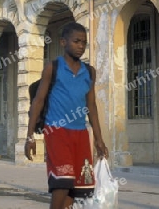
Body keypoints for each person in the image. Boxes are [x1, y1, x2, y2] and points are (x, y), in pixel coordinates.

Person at [25, 22, 109, 209]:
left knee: (78, 187)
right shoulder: (52, 68)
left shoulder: (89, 72)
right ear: (63, 42)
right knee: (62, 182)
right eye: (76, 41)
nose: (81, 46)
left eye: (84, 42)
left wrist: (98, 139)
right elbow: (38, 101)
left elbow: (92, 106)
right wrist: (30, 136)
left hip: (80, 134)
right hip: (56, 131)